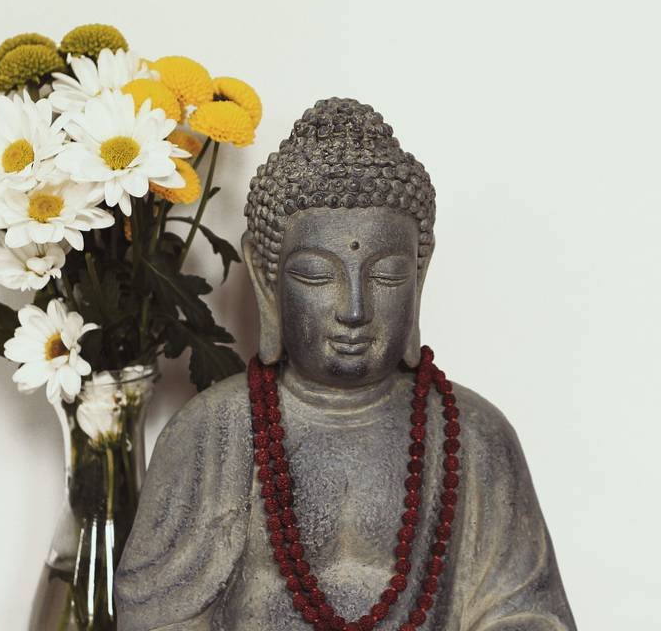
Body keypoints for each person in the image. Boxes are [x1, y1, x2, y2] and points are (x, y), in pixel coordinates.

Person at [116, 98, 575, 630]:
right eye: (316, 276)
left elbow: (531, 614)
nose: (354, 310)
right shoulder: (215, 431)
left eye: (386, 277)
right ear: (266, 279)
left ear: (420, 276)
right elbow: (152, 616)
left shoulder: (471, 435)